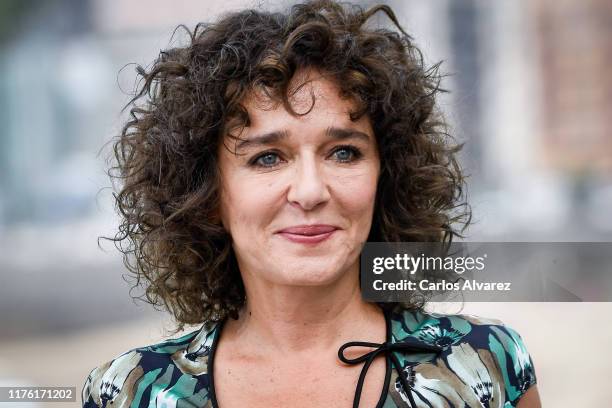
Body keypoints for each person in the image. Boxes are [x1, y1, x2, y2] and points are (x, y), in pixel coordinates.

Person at [82, 1, 540, 407]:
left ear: (388, 176)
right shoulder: (128, 392)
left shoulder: (486, 364)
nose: (310, 191)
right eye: (267, 158)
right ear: (205, 196)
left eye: (344, 152)